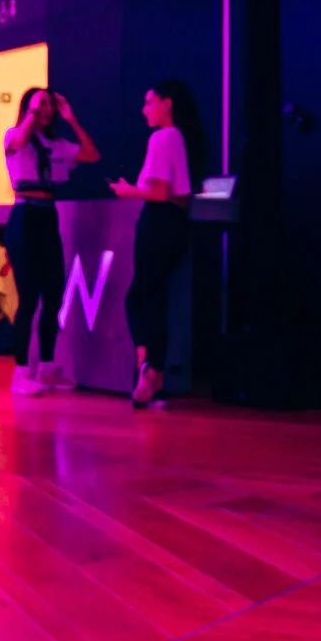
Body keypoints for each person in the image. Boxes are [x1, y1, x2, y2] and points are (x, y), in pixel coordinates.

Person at [109, 80, 203, 408]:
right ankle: (156, 376)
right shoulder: (182, 137)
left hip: (157, 224)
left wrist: (127, 191)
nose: (144, 110)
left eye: (150, 102)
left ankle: (147, 369)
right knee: (154, 299)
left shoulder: (162, 137)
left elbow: (160, 193)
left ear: (167, 103)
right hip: (176, 226)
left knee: (141, 300)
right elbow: (180, 195)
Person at [2, 87, 99, 395]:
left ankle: (47, 366)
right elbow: (18, 142)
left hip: (47, 215)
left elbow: (91, 155)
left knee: (54, 293)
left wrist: (72, 119)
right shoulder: (15, 135)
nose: (47, 109)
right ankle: (21, 371)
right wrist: (32, 111)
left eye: (50, 104)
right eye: (41, 104)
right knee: (29, 295)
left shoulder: (56, 143)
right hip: (25, 214)